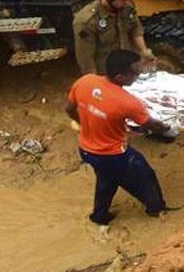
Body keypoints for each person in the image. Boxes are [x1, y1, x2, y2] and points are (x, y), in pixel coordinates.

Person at [65, 49, 178, 225]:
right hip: (113, 154)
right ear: (120, 77)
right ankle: (156, 208)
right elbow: (150, 124)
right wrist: (169, 127)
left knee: (106, 180)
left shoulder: (85, 81)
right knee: (144, 175)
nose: (139, 75)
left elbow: (69, 110)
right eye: (135, 73)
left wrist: (85, 124)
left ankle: (99, 217)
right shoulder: (127, 102)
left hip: (86, 149)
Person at [72, 0, 155, 75]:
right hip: (105, 73)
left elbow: (135, 28)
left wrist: (144, 51)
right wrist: (94, 82)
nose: (126, 3)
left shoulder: (126, 7)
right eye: (123, 0)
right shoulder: (86, 21)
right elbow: (86, 59)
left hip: (125, 69)